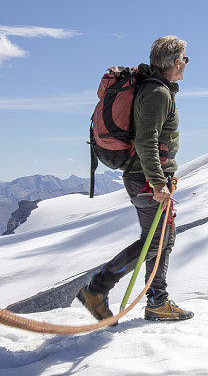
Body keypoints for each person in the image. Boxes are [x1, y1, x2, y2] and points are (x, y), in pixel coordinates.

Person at [77, 36, 193, 323]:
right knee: (156, 240)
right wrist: (157, 183)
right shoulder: (158, 93)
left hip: (146, 176)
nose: (187, 65)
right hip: (145, 178)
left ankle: (157, 301)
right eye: (185, 59)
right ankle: (98, 288)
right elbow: (146, 142)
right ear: (175, 61)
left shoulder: (156, 89)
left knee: (161, 239)